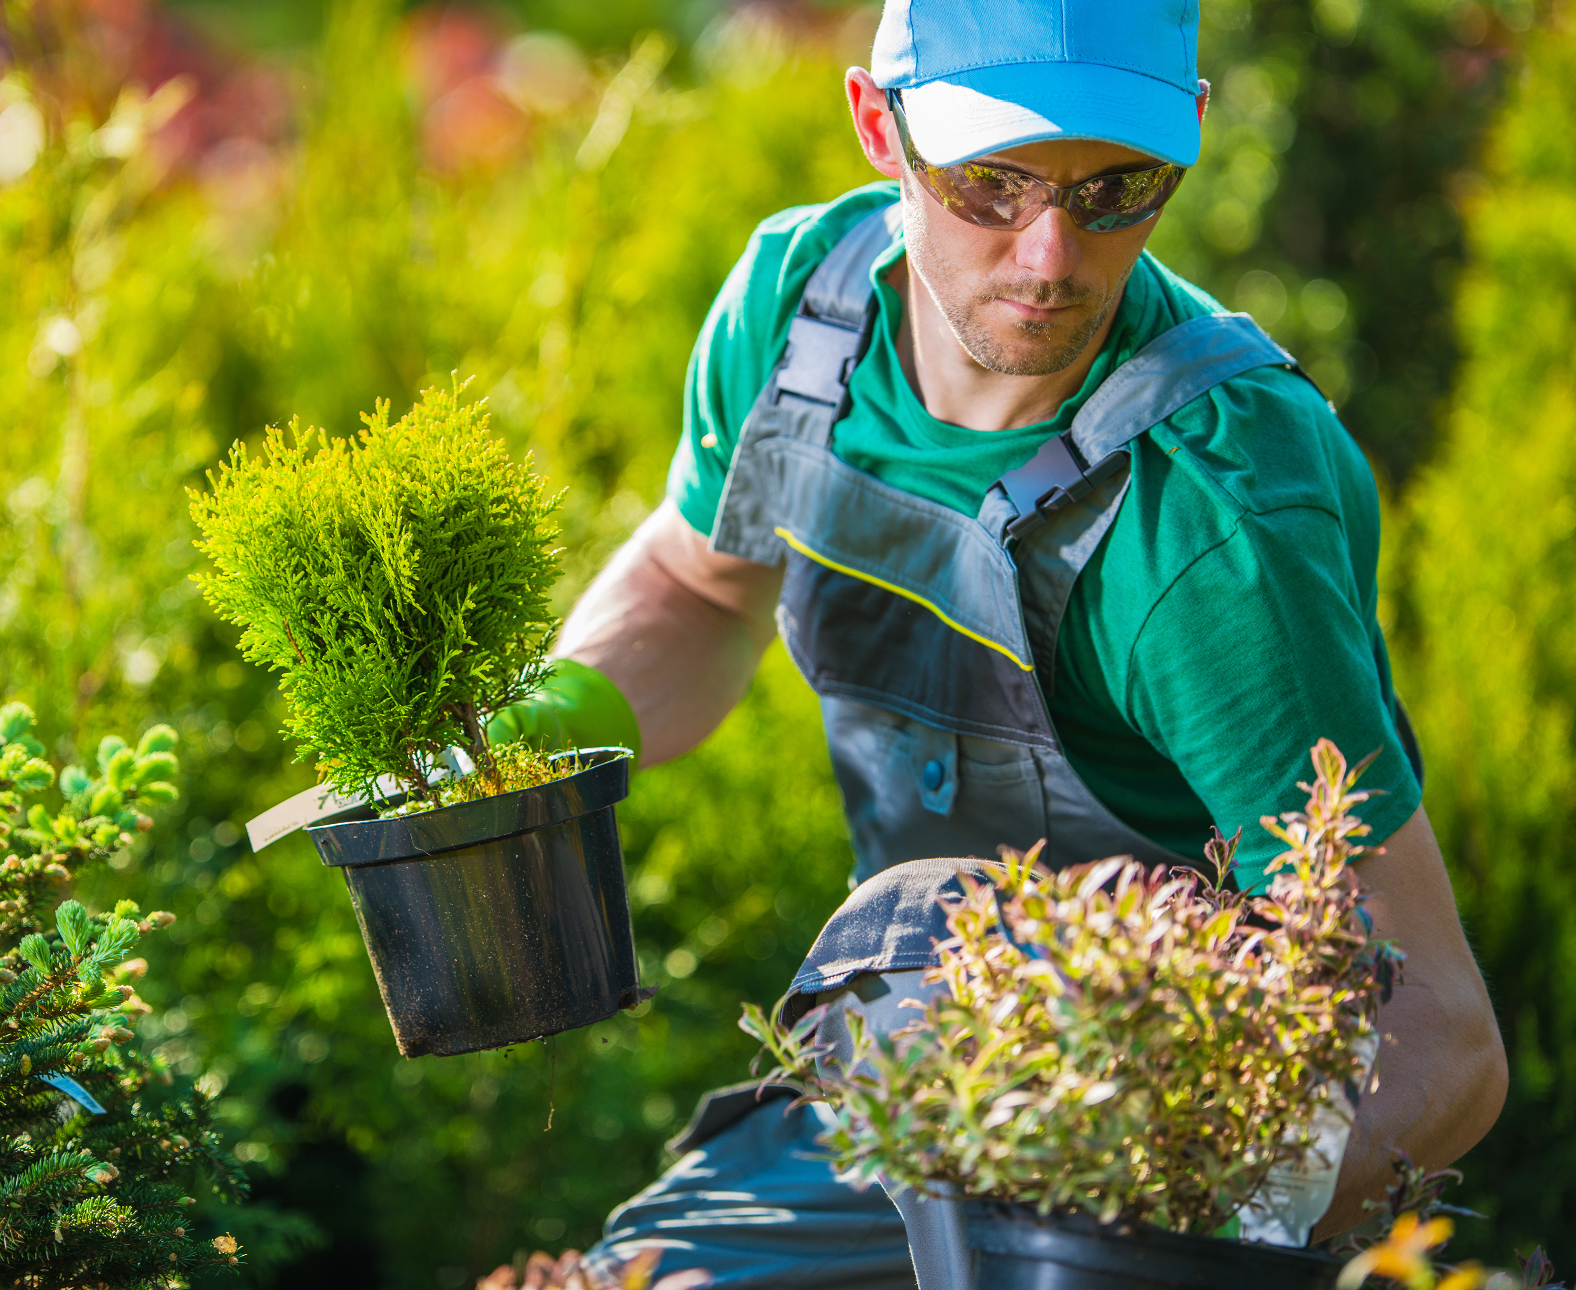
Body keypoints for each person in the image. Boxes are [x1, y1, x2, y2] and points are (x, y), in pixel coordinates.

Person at [488, 0, 1509, 1282]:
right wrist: (540, 729)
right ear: (878, 127)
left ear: (1187, 141)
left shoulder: (1206, 519)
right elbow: (701, 587)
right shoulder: (801, 322)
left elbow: (1440, 1037)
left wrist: (1168, 1226)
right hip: (903, 1070)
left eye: (1115, 190)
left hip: (1152, 1145)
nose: (1048, 256)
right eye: (991, 183)